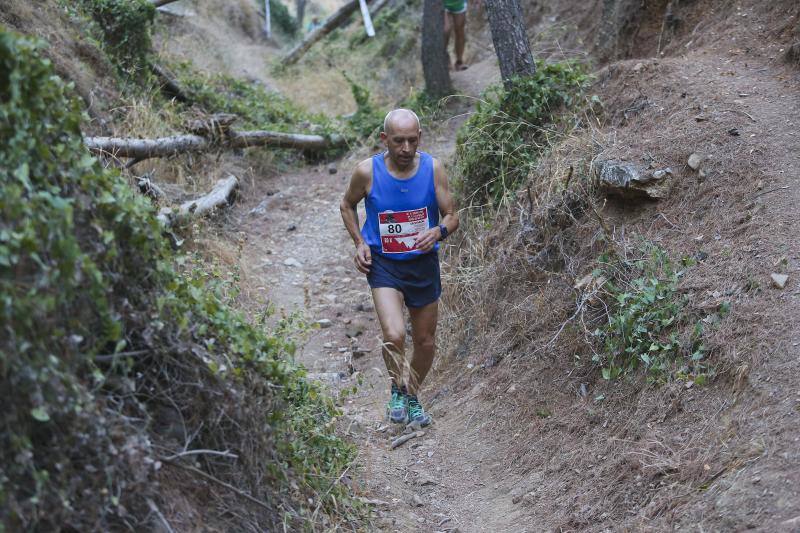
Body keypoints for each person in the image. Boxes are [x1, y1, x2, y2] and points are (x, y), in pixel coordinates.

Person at [339, 109, 459, 427]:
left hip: (422, 265)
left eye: (411, 141)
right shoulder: (367, 172)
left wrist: (438, 231)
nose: (405, 149)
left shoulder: (433, 168)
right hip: (384, 265)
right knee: (393, 334)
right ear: (384, 140)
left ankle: (412, 395)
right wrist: (359, 243)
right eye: (398, 141)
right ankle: (396, 387)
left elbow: (452, 215)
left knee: (425, 341)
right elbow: (346, 204)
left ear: (419, 138)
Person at [443, 0, 471, 70]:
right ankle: (444, 57)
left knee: (460, 30)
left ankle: (459, 62)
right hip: (442, 3)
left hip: (459, 3)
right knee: (446, 29)